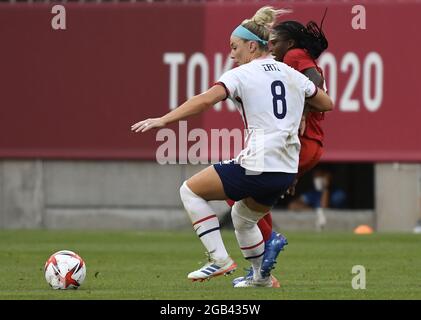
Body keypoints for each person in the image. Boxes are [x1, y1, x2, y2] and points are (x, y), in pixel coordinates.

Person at [131, 6, 333, 288]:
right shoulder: (290, 74)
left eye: (234, 47)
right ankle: (261, 277)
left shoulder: (242, 74)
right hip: (286, 168)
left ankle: (219, 259)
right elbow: (326, 103)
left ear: (252, 45)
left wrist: (164, 120)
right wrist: (299, 112)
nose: (231, 54)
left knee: (189, 190)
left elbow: (204, 100)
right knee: (242, 217)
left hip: (259, 163)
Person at [232, 15, 330, 285]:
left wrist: (302, 112)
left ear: (291, 43)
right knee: (248, 195)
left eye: (276, 42)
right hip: (303, 147)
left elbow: (314, 78)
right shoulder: (284, 61)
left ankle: (268, 242)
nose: (272, 47)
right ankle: (262, 262)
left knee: (234, 190)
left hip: (300, 141)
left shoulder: (295, 55)